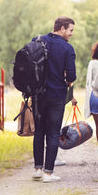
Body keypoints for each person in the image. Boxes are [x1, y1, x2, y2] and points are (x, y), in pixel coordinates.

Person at [32, 16, 77, 183]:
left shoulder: (37, 41)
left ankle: (37, 169)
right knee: (52, 133)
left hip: (38, 94)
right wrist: (67, 78)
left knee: (39, 131)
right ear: (62, 28)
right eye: (70, 30)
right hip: (57, 95)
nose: (71, 34)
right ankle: (48, 173)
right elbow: (71, 76)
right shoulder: (67, 48)